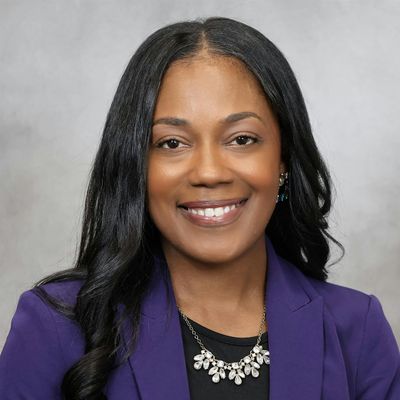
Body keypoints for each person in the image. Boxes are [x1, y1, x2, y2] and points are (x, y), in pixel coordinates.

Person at [0, 16, 399, 400]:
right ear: (136, 165)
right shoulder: (55, 327)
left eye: (241, 139)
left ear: (284, 160)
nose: (209, 172)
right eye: (172, 143)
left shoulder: (357, 332)